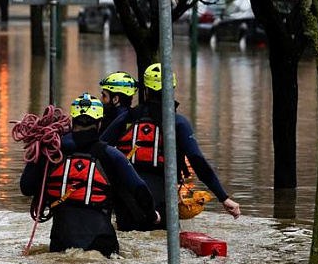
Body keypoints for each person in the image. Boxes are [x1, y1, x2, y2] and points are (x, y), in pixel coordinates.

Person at [102, 63, 241, 230]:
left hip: (126, 200)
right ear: (172, 88)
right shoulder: (178, 122)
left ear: (145, 90)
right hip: (162, 200)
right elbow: (198, 162)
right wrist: (223, 198)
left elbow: (98, 149)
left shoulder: (127, 118)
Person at [20, 93, 160, 257]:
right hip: (102, 244)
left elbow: (26, 188)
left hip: (60, 242)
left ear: (72, 121)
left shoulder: (49, 151)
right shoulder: (111, 155)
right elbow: (140, 190)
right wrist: (152, 216)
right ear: (99, 123)